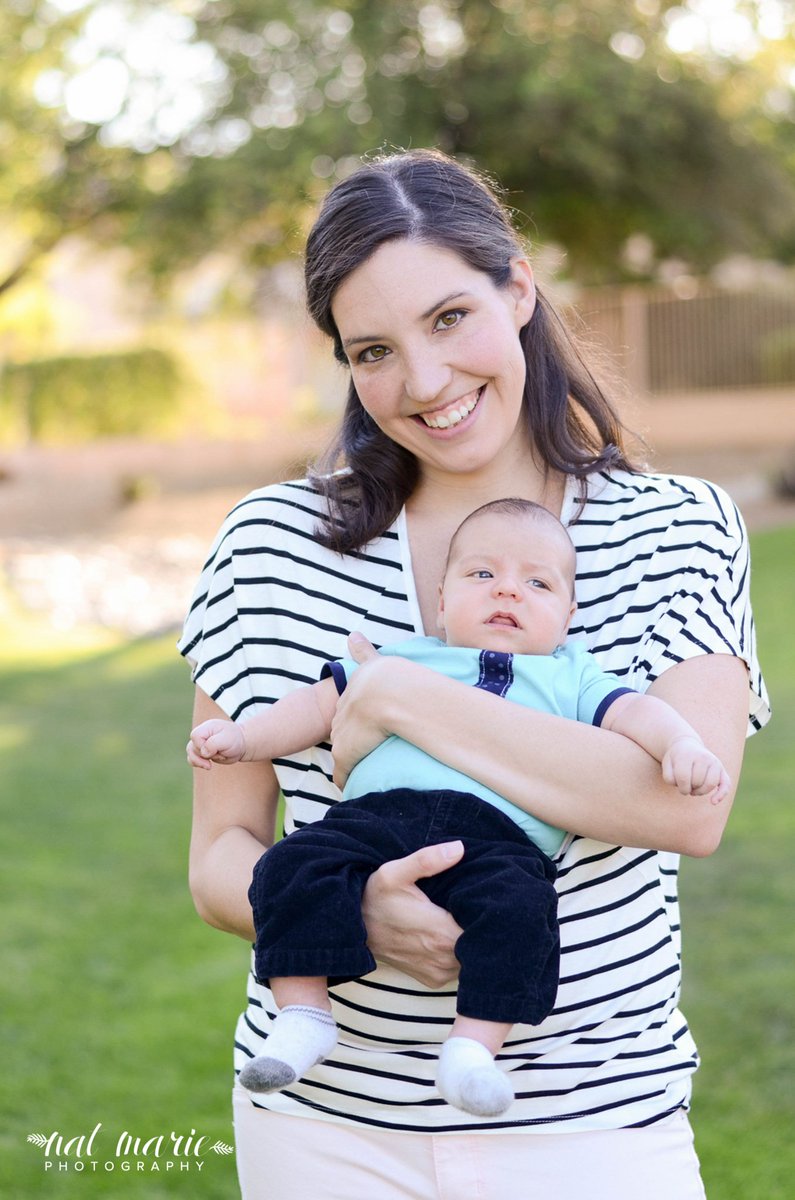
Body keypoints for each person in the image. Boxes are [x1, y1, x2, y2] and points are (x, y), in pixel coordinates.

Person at [179, 148, 769, 1200]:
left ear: (520, 286)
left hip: (592, 1128)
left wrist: (403, 695)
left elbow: (687, 809)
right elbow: (221, 856)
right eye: (374, 350)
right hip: (320, 1128)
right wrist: (352, 911)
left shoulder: (677, 526)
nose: (426, 383)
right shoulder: (270, 543)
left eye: (450, 318)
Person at [187, 498, 730, 1121]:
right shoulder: (402, 656)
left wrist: (683, 744)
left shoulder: (570, 676)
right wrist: (244, 740)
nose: (508, 591)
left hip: (500, 841)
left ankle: (473, 1048)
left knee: (523, 913)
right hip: (373, 821)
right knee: (292, 865)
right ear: (441, 601)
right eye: (482, 575)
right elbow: (312, 709)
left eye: (537, 582)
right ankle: (303, 1013)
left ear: (569, 613)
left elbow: (639, 715)